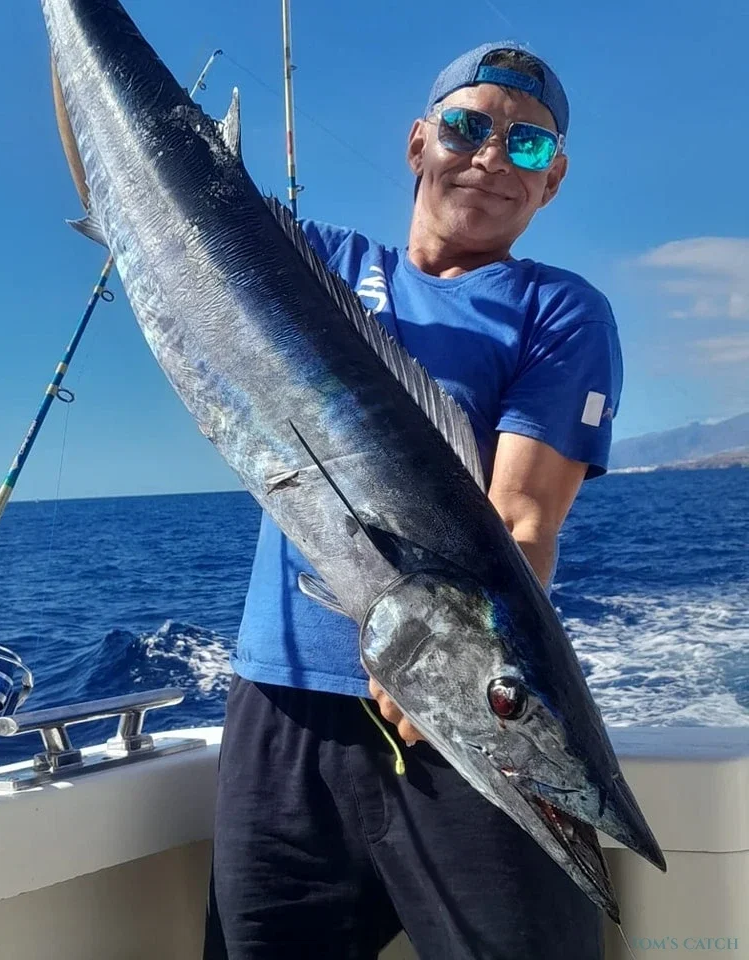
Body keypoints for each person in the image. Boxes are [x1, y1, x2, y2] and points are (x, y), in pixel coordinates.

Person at [52, 40, 622, 960]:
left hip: (458, 724)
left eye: (526, 144)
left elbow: (520, 520)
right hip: (281, 708)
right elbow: (125, 185)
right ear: (418, 142)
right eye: (467, 127)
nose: (490, 156)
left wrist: (444, 679)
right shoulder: (306, 256)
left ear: (550, 181)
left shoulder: (559, 311)